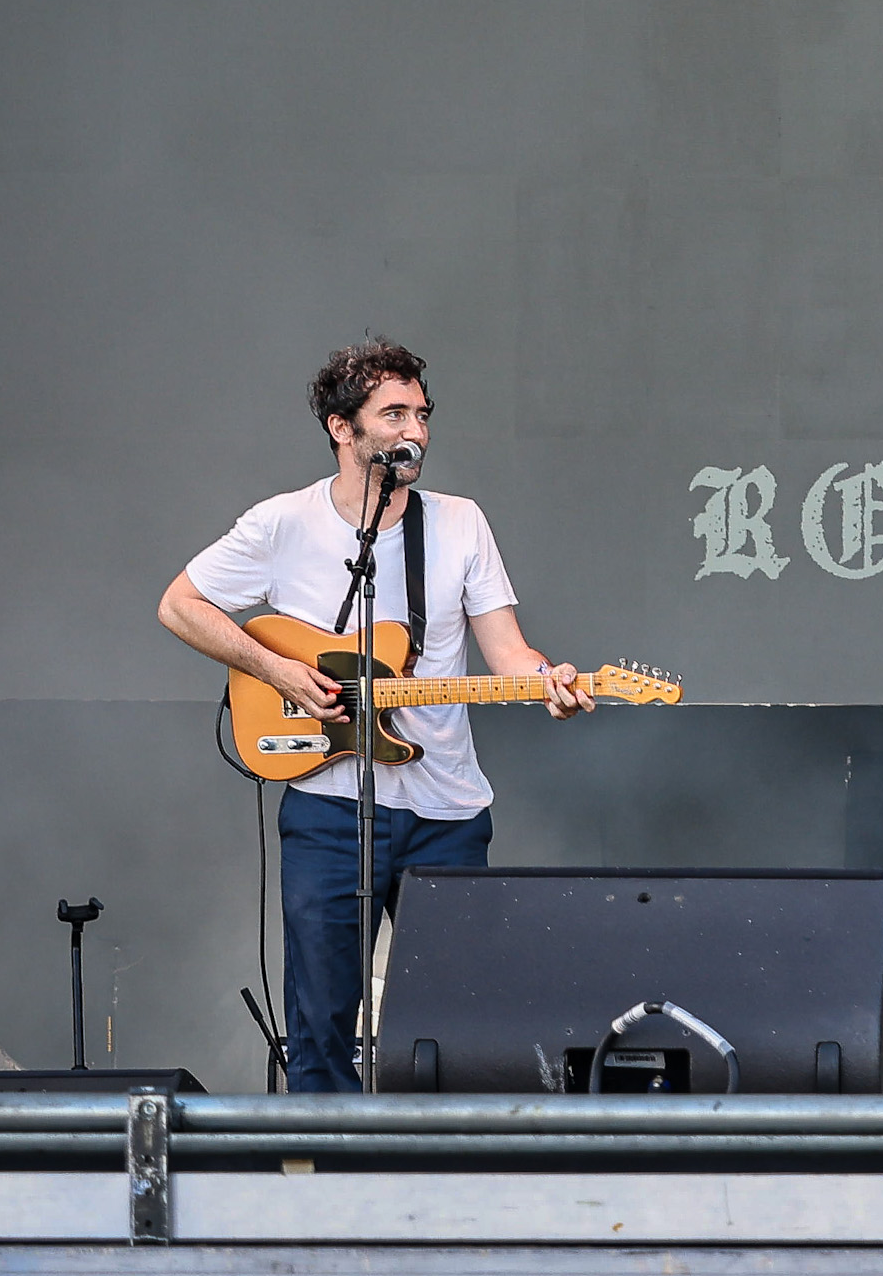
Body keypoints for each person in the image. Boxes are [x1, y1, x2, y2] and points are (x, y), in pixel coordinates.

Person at [156, 338, 587, 1091]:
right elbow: (179, 604)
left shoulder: (458, 523)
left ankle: (440, 1187)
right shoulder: (282, 523)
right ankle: (326, 1185)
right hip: (327, 807)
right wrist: (274, 666)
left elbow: (509, 652)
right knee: (321, 1021)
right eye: (392, 412)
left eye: (420, 412)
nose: (413, 428)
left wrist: (549, 680)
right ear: (342, 427)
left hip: (443, 811)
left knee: (459, 1023)